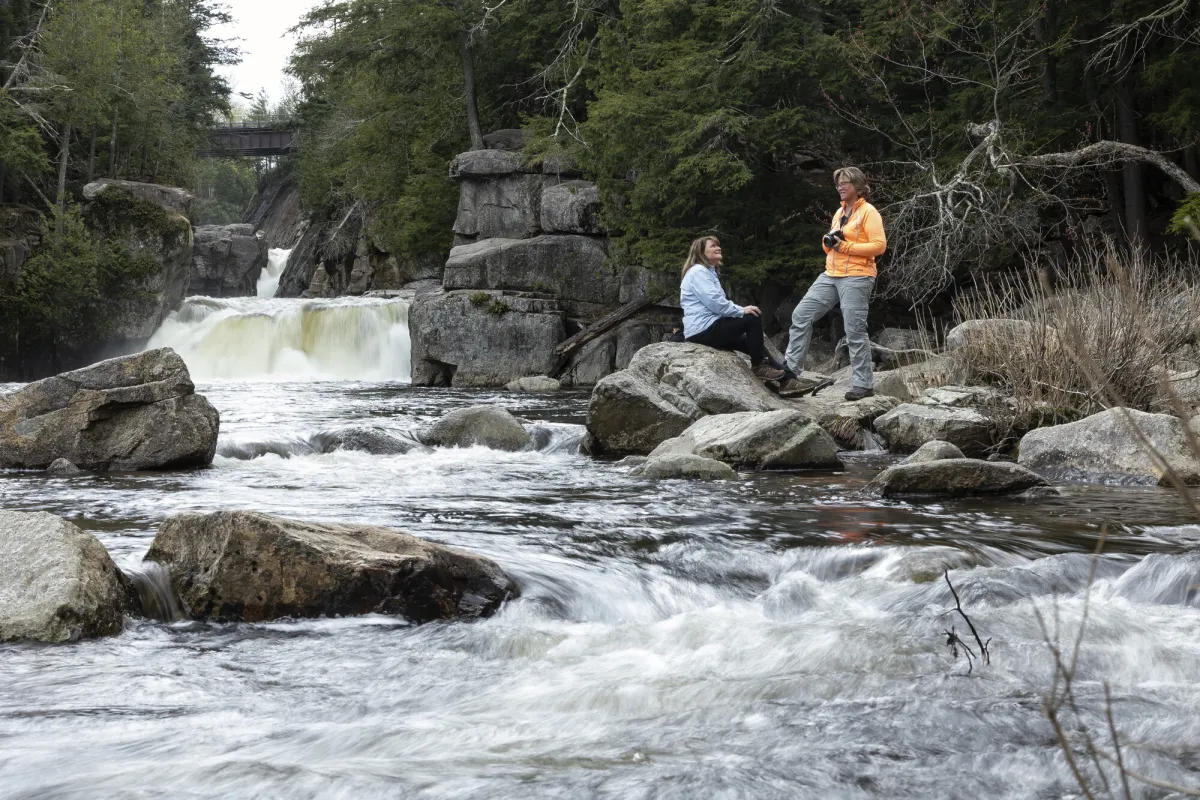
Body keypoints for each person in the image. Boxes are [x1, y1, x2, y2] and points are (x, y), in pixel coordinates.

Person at [781, 166, 886, 401]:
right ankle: (790, 373)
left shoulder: (869, 212)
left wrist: (844, 246)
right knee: (801, 315)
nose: (839, 186)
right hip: (831, 273)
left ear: (858, 186)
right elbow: (832, 243)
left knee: (854, 330)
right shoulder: (840, 212)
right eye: (838, 183)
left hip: (858, 276)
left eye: (845, 183)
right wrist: (829, 243)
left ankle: (863, 385)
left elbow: (879, 246)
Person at [680, 236, 786, 381]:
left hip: (706, 329)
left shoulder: (708, 272)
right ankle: (759, 367)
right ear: (701, 253)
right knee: (753, 318)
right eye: (713, 246)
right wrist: (741, 311)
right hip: (703, 330)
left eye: (718, 245)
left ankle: (788, 380)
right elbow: (716, 303)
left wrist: (738, 312)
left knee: (755, 346)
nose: (718, 248)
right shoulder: (698, 271)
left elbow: (717, 303)